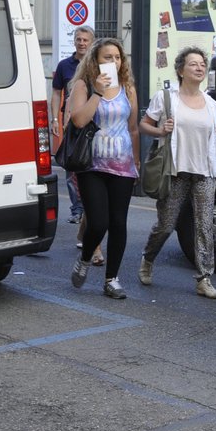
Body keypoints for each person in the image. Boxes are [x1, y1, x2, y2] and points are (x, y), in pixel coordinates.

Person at [138, 46, 216, 299]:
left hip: (205, 171)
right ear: (180, 70)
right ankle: (148, 258)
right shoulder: (166, 98)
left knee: (205, 225)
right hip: (175, 170)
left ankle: (204, 278)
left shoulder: (211, 103)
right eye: (193, 64)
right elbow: (143, 125)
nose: (199, 68)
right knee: (166, 225)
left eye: (202, 64)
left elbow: (215, 136)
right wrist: (161, 130)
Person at [67, 37, 138, 299]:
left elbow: (133, 127)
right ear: (96, 61)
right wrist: (97, 91)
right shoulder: (83, 85)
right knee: (98, 222)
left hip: (123, 164)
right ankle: (85, 258)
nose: (114, 62)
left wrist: (137, 160)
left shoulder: (128, 87)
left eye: (118, 58)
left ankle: (112, 279)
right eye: (108, 58)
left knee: (119, 223)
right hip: (92, 165)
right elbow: (78, 120)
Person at [52, 27, 95, 224]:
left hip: (92, 123)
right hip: (70, 123)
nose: (82, 43)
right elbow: (55, 93)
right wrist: (55, 120)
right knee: (72, 165)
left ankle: (89, 206)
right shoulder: (64, 66)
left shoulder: (97, 66)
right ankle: (77, 208)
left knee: (90, 163)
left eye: (86, 40)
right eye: (78, 39)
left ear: (92, 42)